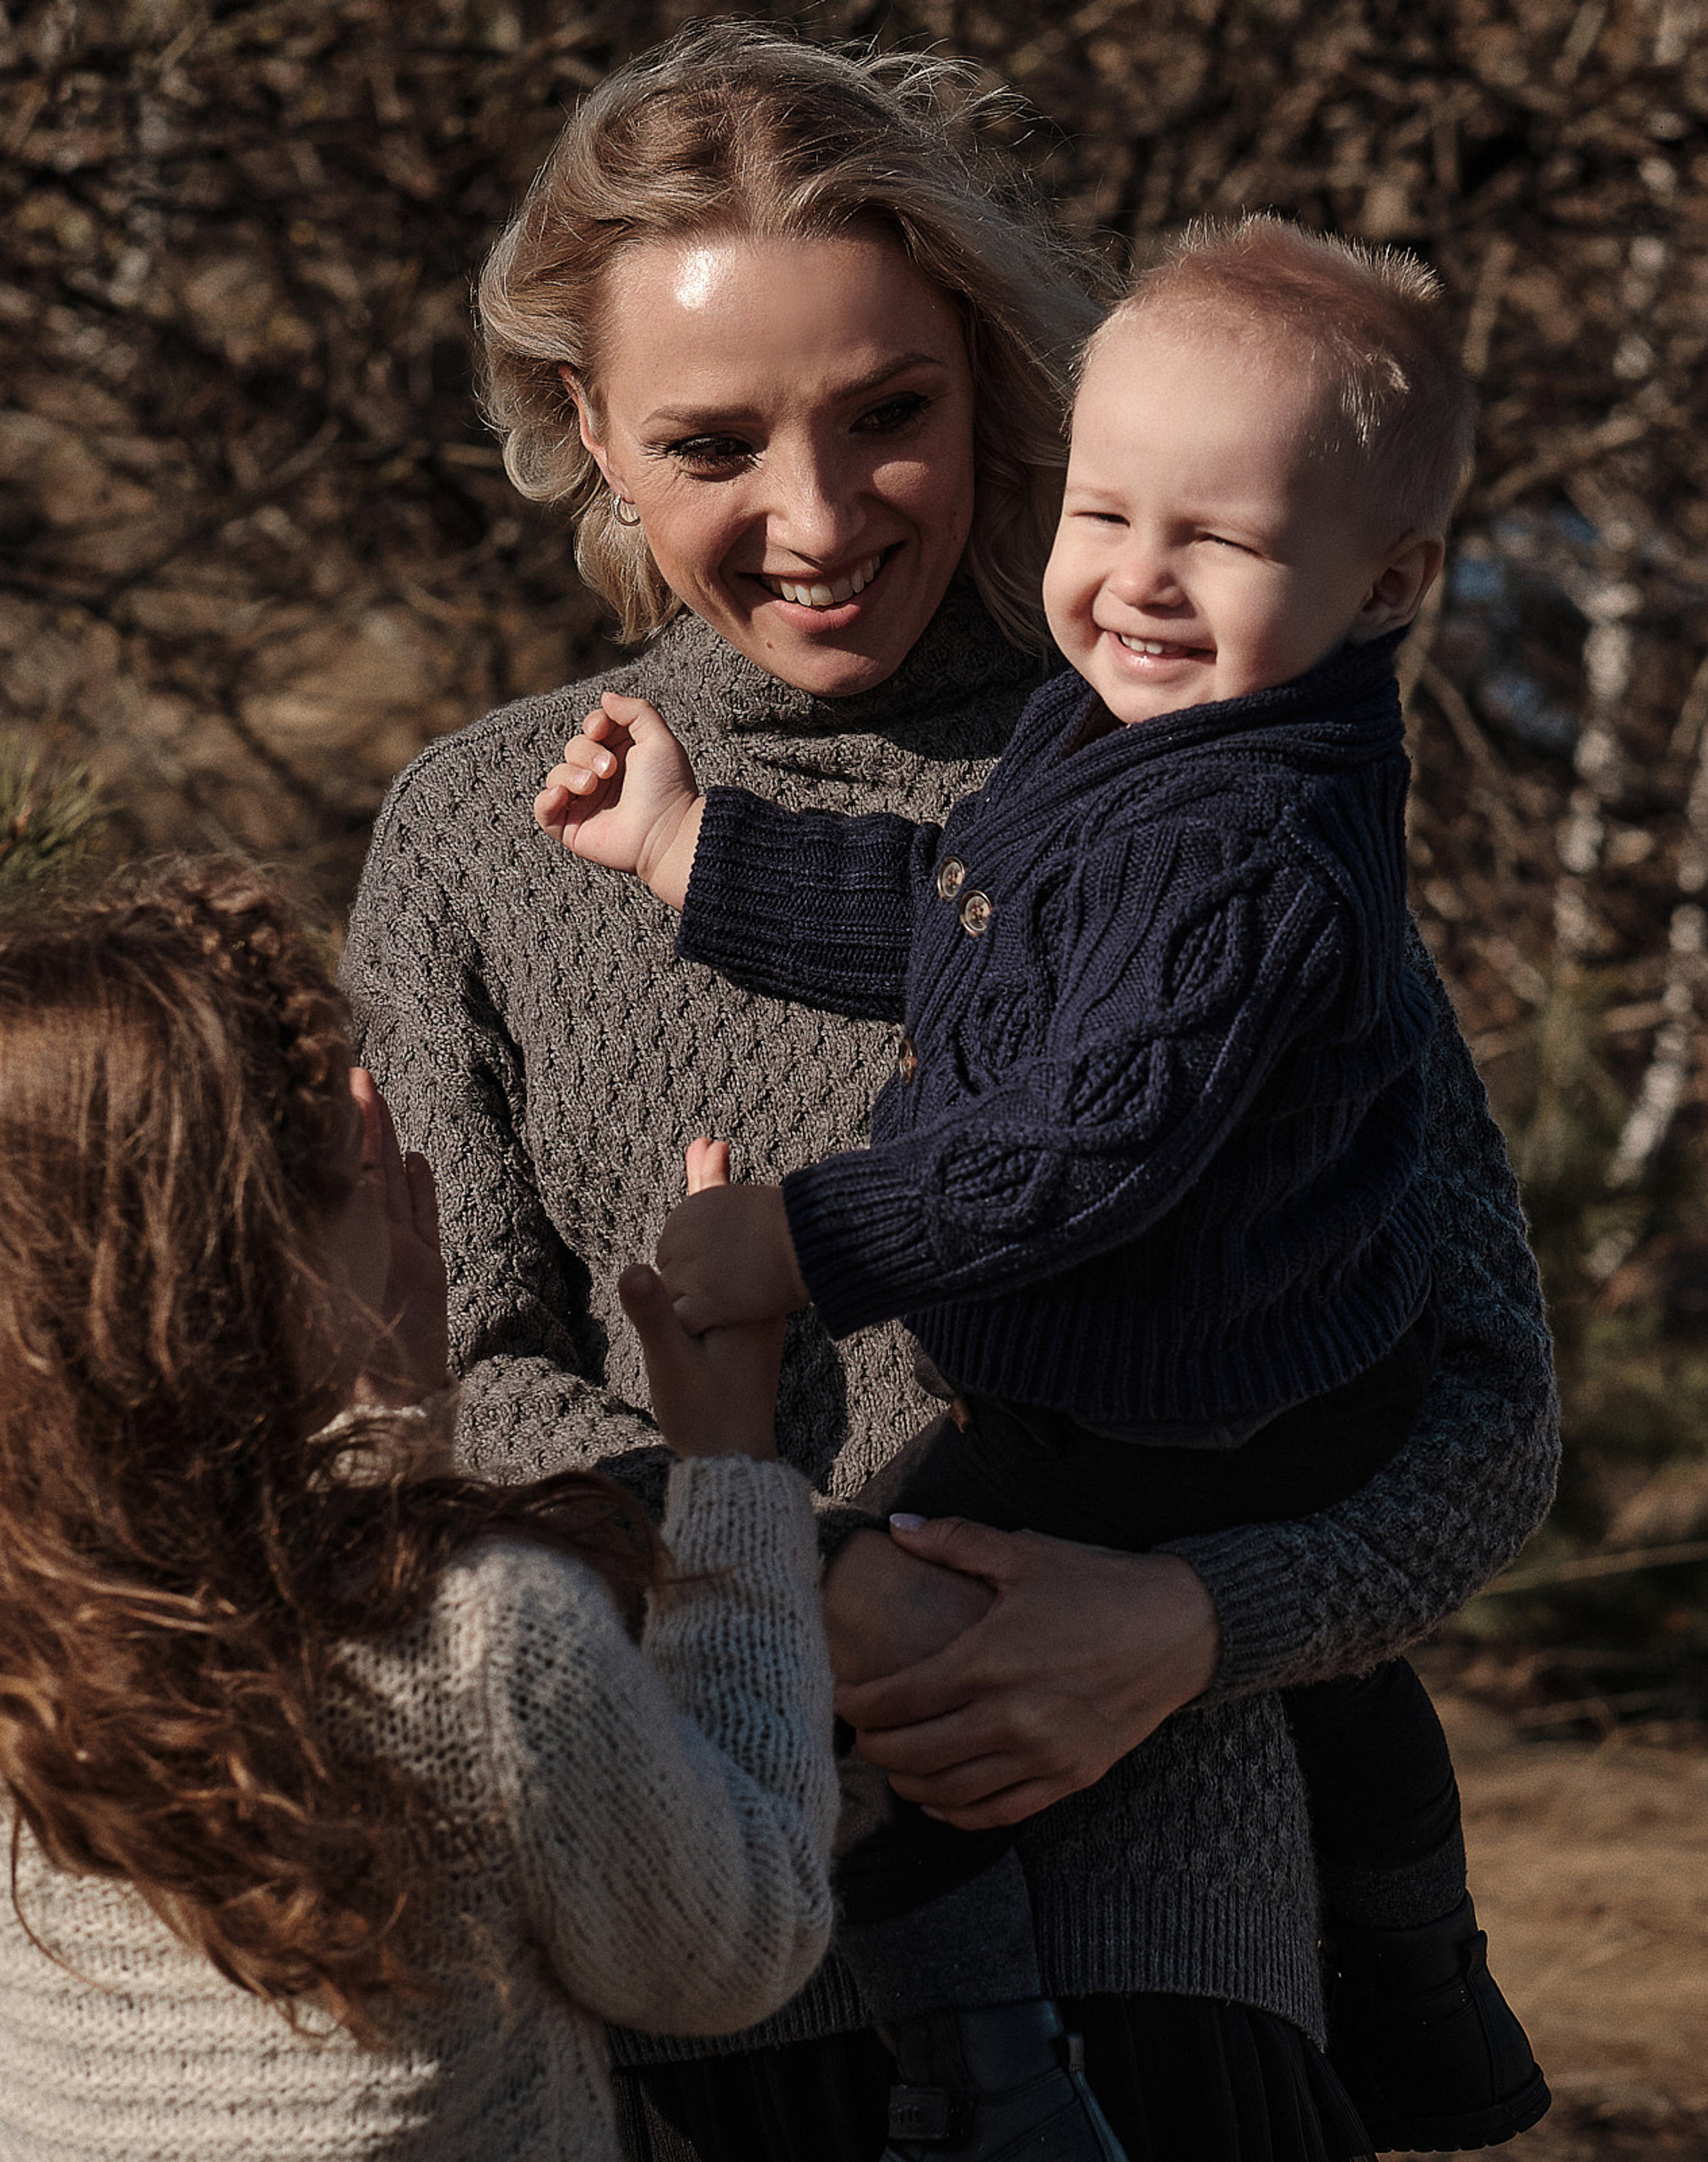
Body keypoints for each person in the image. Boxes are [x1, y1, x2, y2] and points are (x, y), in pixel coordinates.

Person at [343, 23, 1559, 2162]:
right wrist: (782, 1575)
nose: (817, 518)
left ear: (996, 384)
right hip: (691, 1969)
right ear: (586, 433)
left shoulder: (1198, 759)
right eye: (711, 441)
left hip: (1178, 1965)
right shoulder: (475, 831)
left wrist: (1195, 1622)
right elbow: (443, 1380)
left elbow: (1473, 1404)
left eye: (889, 413)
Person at [0, 860, 837, 2162]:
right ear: (257, 1266)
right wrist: (732, 1475)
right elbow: (731, 1945)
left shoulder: (34, 1637)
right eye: (349, 1176)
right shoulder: (477, 1641)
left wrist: (383, 1425)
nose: (395, 1190)